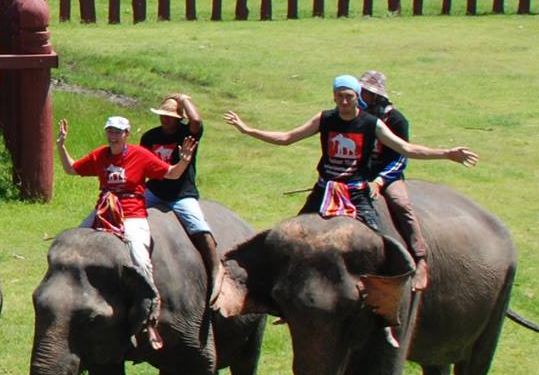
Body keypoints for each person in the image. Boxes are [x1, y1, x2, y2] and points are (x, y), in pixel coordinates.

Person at [225, 75, 478, 343]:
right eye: (340, 96)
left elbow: (404, 148)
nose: (345, 101)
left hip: (356, 192)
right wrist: (247, 129)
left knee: (382, 246)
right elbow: (288, 137)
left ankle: (385, 313)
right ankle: (286, 304)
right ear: (334, 97)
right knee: (290, 241)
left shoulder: (371, 124)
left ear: (358, 98)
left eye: (350, 96)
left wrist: (447, 153)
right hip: (325, 190)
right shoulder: (325, 119)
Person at [57, 114, 196, 351]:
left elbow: (171, 173)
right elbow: (71, 169)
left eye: (118, 132)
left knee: (138, 253)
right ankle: (66, 296)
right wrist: (61, 145)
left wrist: (183, 161)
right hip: (105, 209)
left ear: (126, 134)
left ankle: (151, 310)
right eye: (110, 131)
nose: (113, 136)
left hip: (132, 212)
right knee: (72, 241)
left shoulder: (139, 155)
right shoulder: (100, 155)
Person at [357, 70, 433, 294]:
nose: (362, 95)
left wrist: (380, 181)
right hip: (362, 173)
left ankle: (420, 257)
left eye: (367, 92)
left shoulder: (397, 120)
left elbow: (400, 158)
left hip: (387, 175)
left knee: (401, 204)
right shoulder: (360, 115)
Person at [140, 94, 223, 300]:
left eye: (169, 116)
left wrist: (184, 99)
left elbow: (196, 121)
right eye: (162, 115)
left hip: (181, 194)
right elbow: (141, 164)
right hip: (155, 191)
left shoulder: (187, 135)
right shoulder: (150, 137)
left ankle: (215, 271)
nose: (164, 119)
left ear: (179, 118)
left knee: (200, 228)